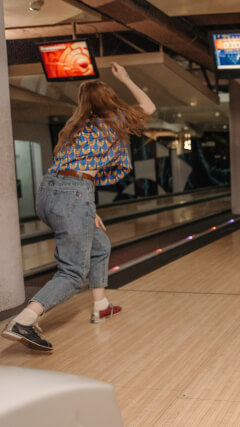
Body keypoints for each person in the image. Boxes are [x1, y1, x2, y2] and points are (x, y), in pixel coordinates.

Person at [2, 63, 156, 352]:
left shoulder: (75, 128)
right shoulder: (111, 121)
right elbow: (148, 106)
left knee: (100, 245)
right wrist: (125, 77)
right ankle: (24, 319)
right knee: (73, 273)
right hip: (74, 194)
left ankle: (100, 305)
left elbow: (70, 171)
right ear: (109, 99)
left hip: (50, 192)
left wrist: (86, 208)